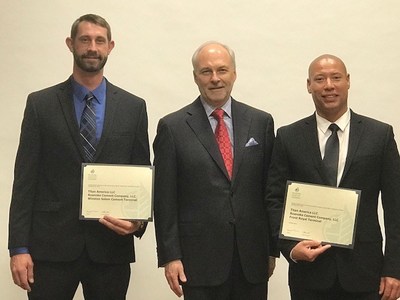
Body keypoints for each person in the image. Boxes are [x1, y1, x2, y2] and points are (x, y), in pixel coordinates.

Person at [8, 14, 150, 300]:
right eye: (85, 40)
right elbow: (25, 179)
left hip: (110, 249)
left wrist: (138, 221)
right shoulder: (40, 105)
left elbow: (141, 172)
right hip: (50, 248)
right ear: (70, 44)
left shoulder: (133, 107)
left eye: (99, 41)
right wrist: (18, 248)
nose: (92, 47)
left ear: (111, 46)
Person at [266, 54, 400, 300]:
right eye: (319, 79)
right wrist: (290, 248)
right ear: (309, 85)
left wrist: (394, 268)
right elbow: (273, 200)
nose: (328, 85)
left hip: (366, 274)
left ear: (347, 81)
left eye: (336, 77)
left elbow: (396, 207)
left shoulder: (379, 135)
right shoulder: (288, 137)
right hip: (309, 275)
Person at [153, 41, 277, 299]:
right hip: (198, 261)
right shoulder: (173, 127)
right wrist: (170, 256)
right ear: (195, 77)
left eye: (222, 70)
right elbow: (164, 199)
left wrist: (271, 248)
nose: (215, 78)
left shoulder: (261, 122)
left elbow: (270, 191)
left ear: (234, 73)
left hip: (251, 259)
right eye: (206, 71)